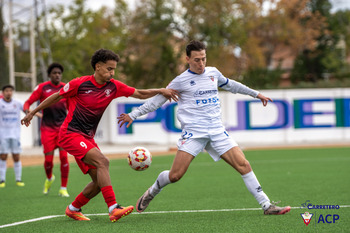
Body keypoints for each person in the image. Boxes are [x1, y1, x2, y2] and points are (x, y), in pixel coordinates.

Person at [117, 40, 291, 215]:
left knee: (243, 165)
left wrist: (256, 94)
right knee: (175, 175)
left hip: (217, 130)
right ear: (187, 59)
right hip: (194, 133)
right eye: (197, 60)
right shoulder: (180, 81)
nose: (201, 63)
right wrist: (133, 115)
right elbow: (157, 101)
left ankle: (267, 206)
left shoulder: (213, 73)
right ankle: (153, 190)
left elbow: (232, 85)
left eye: (203, 59)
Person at [21, 49, 178, 222]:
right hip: (70, 134)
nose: (112, 73)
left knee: (99, 182)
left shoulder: (114, 86)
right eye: (109, 69)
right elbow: (56, 97)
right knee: (103, 162)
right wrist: (32, 112)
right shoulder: (79, 84)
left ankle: (73, 208)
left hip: (87, 138)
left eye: (114, 69)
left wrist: (161, 90)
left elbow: (139, 93)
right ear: (98, 67)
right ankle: (113, 208)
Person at [24, 63, 70, 197]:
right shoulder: (42, 88)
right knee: (48, 161)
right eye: (54, 73)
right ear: (50, 74)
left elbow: (71, 107)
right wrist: (28, 112)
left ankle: (63, 188)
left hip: (62, 129)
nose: (57, 75)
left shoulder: (65, 88)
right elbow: (27, 103)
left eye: (59, 73)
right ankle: (49, 178)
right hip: (47, 129)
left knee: (63, 158)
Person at [0, 85, 25, 188]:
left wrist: (39, 114)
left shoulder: (17, 103)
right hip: (2, 134)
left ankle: (18, 179)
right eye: (6, 91)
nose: (9, 92)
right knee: (3, 156)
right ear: (3, 92)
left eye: (10, 90)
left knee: (16, 156)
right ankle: (2, 180)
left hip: (15, 134)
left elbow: (27, 110)